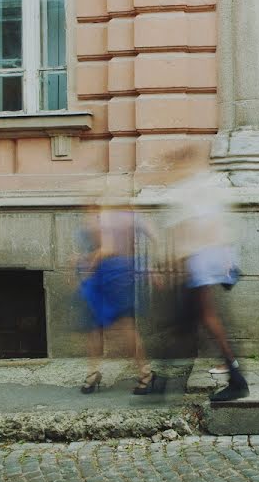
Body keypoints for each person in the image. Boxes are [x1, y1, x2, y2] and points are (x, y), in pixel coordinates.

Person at [163, 146, 248, 402]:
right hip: (210, 256)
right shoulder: (204, 184)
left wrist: (179, 260)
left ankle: (236, 376)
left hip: (202, 258)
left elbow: (193, 226)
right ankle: (234, 372)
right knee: (198, 316)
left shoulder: (189, 188)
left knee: (205, 316)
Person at [77, 206, 164, 395]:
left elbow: (108, 249)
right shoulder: (115, 215)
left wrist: (87, 260)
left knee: (123, 327)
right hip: (103, 277)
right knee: (98, 326)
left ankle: (144, 373)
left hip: (115, 275)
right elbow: (154, 236)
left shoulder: (113, 216)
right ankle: (96, 373)